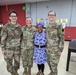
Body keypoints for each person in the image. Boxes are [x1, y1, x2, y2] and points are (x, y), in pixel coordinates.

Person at [1, 10, 22, 75]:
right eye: (12, 16)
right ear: (9, 17)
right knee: (9, 63)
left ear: (17, 17)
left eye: (15, 16)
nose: (14, 17)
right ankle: (13, 73)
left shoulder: (19, 26)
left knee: (17, 63)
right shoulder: (6, 27)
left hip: (17, 49)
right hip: (8, 49)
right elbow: (3, 38)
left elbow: (21, 37)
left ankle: (15, 72)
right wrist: (3, 49)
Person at [46, 10, 64, 75]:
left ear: (55, 17)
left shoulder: (59, 25)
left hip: (55, 50)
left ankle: (54, 73)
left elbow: (62, 38)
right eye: (50, 15)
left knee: (54, 65)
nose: (51, 16)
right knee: (49, 63)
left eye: (53, 15)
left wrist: (60, 49)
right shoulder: (47, 26)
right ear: (48, 16)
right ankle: (52, 72)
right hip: (48, 50)